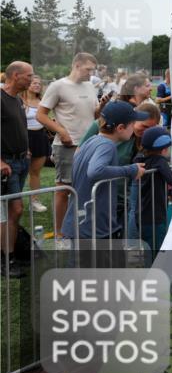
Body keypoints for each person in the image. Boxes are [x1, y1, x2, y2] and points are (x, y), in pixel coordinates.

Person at [37, 52, 105, 237]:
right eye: (88, 69)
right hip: (68, 145)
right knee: (63, 189)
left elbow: (94, 115)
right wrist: (61, 131)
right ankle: (60, 233)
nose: (90, 73)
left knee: (85, 188)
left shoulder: (90, 85)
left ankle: (80, 227)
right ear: (76, 65)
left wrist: (102, 107)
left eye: (92, 70)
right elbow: (41, 115)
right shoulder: (58, 86)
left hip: (89, 144)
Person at [61, 101, 147, 240]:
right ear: (120, 128)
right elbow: (95, 171)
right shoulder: (107, 145)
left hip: (80, 223)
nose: (133, 129)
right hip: (93, 227)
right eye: (132, 124)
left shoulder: (91, 141)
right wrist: (130, 170)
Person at [2, 62, 34, 278]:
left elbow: (19, 128)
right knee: (14, 210)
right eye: (28, 76)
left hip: (21, 161)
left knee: (13, 212)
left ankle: (10, 252)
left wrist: (27, 149)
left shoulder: (17, 99)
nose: (32, 80)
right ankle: (8, 259)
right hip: (8, 164)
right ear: (15, 75)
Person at [135, 126, 172, 256]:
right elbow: (171, 179)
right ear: (164, 149)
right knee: (158, 250)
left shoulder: (140, 159)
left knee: (147, 249)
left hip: (141, 214)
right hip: (155, 216)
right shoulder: (160, 162)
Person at [21, 75, 49, 212]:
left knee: (35, 172)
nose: (37, 85)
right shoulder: (20, 100)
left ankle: (35, 201)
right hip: (23, 137)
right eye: (34, 83)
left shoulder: (43, 101)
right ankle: (13, 201)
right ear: (27, 85)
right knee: (19, 172)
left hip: (40, 137)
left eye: (39, 83)